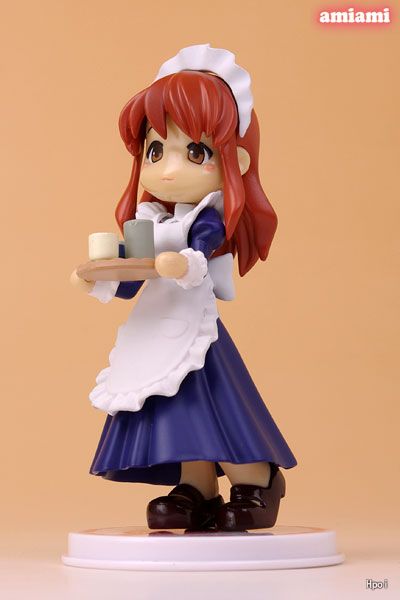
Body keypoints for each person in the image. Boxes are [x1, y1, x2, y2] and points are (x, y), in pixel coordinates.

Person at [71, 45, 297, 531]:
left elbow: (201, 253)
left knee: (215, 404)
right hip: (155, 331)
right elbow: (132, 281)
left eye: (195, 152)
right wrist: (99, 275)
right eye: (155, 151)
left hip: (195, 331)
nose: (168, 170)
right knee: (175, 408)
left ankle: (256, 479)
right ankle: (196, 486)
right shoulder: (148, 220)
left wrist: (182, 262)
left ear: (235, 158)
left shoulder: (205, 219)